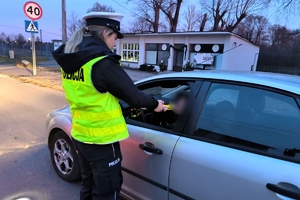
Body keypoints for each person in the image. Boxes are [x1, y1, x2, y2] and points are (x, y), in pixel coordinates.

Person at [52, 12, 166, 200]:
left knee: (88, 184)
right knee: (107, 191)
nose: (115, 43)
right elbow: (134, 97)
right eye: (114, 37)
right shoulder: (102, 62)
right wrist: (156, 105)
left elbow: (93, 94)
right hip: (103, 140)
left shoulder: (72, 60)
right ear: (106, 33)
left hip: (81, 135)